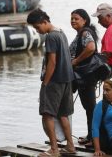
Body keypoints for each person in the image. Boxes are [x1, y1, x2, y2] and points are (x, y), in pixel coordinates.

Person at [27, 9, 76, 156]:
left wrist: (45, 83)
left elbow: (52, 62)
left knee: (47, 114)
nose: (37, 30)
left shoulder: (51, 37)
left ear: (44, 22)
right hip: (67, 80)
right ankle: (70, 146)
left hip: (54, 81)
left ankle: (54, 149)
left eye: (37, 27)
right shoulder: (61, 32)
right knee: (63, 114)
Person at [68, 9, 99, 146]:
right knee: (89, 107)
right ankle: (90, 135)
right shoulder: (82, 33)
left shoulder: (85, 33)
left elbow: (91, 48)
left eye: (76, 18)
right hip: (85, 76)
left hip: (86, 76)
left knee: (90, 107)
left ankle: (94, 138)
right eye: (72, 19)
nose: (73, 21)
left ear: (85, 20)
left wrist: (76, 61)